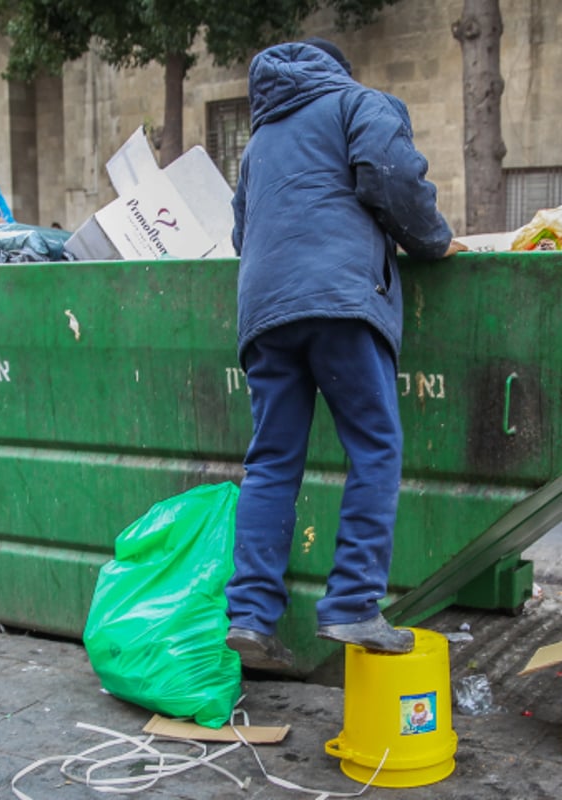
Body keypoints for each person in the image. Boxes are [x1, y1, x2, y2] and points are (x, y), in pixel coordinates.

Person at [225, 38, 467, 671]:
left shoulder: (258, 145)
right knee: (375, 446)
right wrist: (435, 243)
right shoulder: (358, 104)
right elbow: (392, 178)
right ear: (335, 70)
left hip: (264, 312)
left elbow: (241, 233)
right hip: (339, 302)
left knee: (272, 461)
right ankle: (352, 603)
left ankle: (250, 617)